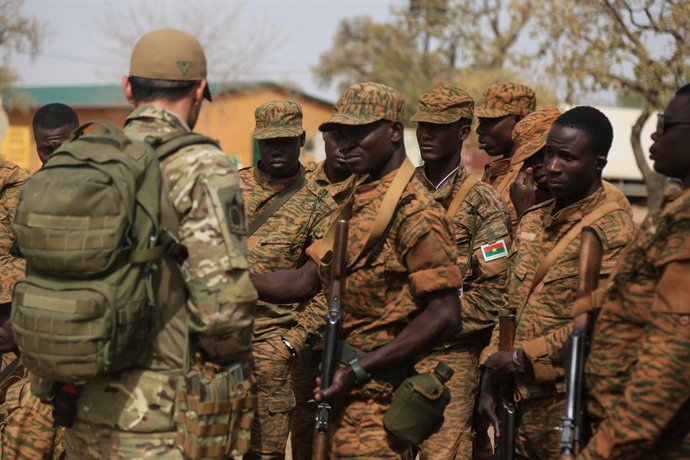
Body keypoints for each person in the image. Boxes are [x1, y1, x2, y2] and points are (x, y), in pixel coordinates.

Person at [62, 28, 257, 458]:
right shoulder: (202, 165)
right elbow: (223, 313)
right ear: (200, 89)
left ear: (128, 87)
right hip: (162, 422)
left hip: (78, 409)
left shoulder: (83, 154)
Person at [250, 82, 464, 458]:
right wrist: (232, 281)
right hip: (341, 391)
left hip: (379, 402)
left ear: (395, 132)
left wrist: (361, 369)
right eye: (341, 134)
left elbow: (445, 315)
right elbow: (303, 281)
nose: (346, 143)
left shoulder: (416, 212)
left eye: (359, 132)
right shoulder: (359, 202)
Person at [477, 106, 635, 459]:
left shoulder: (614, 230)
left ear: (598, 164)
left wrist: (519, 358)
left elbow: (601, 323)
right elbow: (509, 304)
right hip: (515, 405)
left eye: (567, 157)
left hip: (568, 405)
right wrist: (490, 368)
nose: (551, 166)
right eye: (549, 153)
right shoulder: (534, 219)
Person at [577, 85, 690, 459]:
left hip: (653, 441)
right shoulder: (675, 211)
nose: (656, 134)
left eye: (667, 124)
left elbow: (672, 360)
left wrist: (604, 450)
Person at [410, 85, 511, 460]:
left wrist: (430, 323)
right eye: (423, 127)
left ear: (463, 131)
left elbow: (494, 294)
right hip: (390, 351)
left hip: (448, 358)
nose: (427, 135)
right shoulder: (398, 193)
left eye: (438, 127)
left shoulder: (483, 202)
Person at [239, 100, 332, 459]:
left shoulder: (318, 204)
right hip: (218, 349)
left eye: (284, 140)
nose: (275, 148)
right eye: (268, 141)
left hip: (271, 353)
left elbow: (325, 287)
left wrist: (292, 342)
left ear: (301, 140)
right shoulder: (227, 191)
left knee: (264, 454)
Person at [290, 130, 353, 460]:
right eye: (336, 138)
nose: (343, 147)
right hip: (303, 329)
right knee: (303, 424)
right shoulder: (300, 183)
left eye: (352, 137)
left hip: (350, 331)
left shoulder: (370, 189)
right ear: (323, 138)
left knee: (346, 428)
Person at [476, 82, 536, 227]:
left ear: (518, 121)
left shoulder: (532, 175)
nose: (479, 130)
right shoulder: (497, 172)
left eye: (488, 121)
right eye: (480, 121)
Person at [508, 107, 561, 220]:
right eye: (529, 159)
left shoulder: (595, 200)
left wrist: (524, 213)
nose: (535, 165)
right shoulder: (530, 198)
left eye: (544, 154)